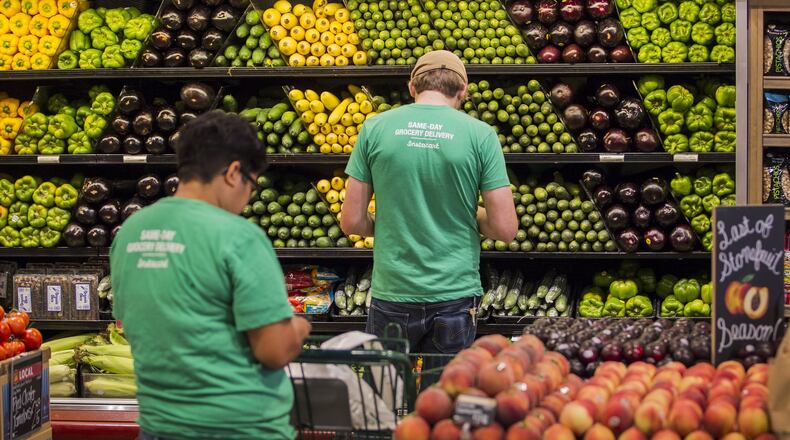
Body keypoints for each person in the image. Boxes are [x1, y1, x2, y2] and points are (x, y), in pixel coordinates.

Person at [110, 112, 311, 440]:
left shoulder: (131, 231)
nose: (247, 199)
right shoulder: (239, 236)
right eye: (251, 183)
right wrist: (299, 328)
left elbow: (138, 324)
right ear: (234, 172)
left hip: (158, 426)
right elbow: (273, 350)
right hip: (239, 427)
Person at [340, 50, 517, 354]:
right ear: (463, 91)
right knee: (443, 398)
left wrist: (393, 222)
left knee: (386, 395)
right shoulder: (480, 134)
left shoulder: (374, 128)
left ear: (412, 87)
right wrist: (467, 213)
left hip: (393, 292)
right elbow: (504, 228)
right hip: (455, 294)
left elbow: (352, 221)